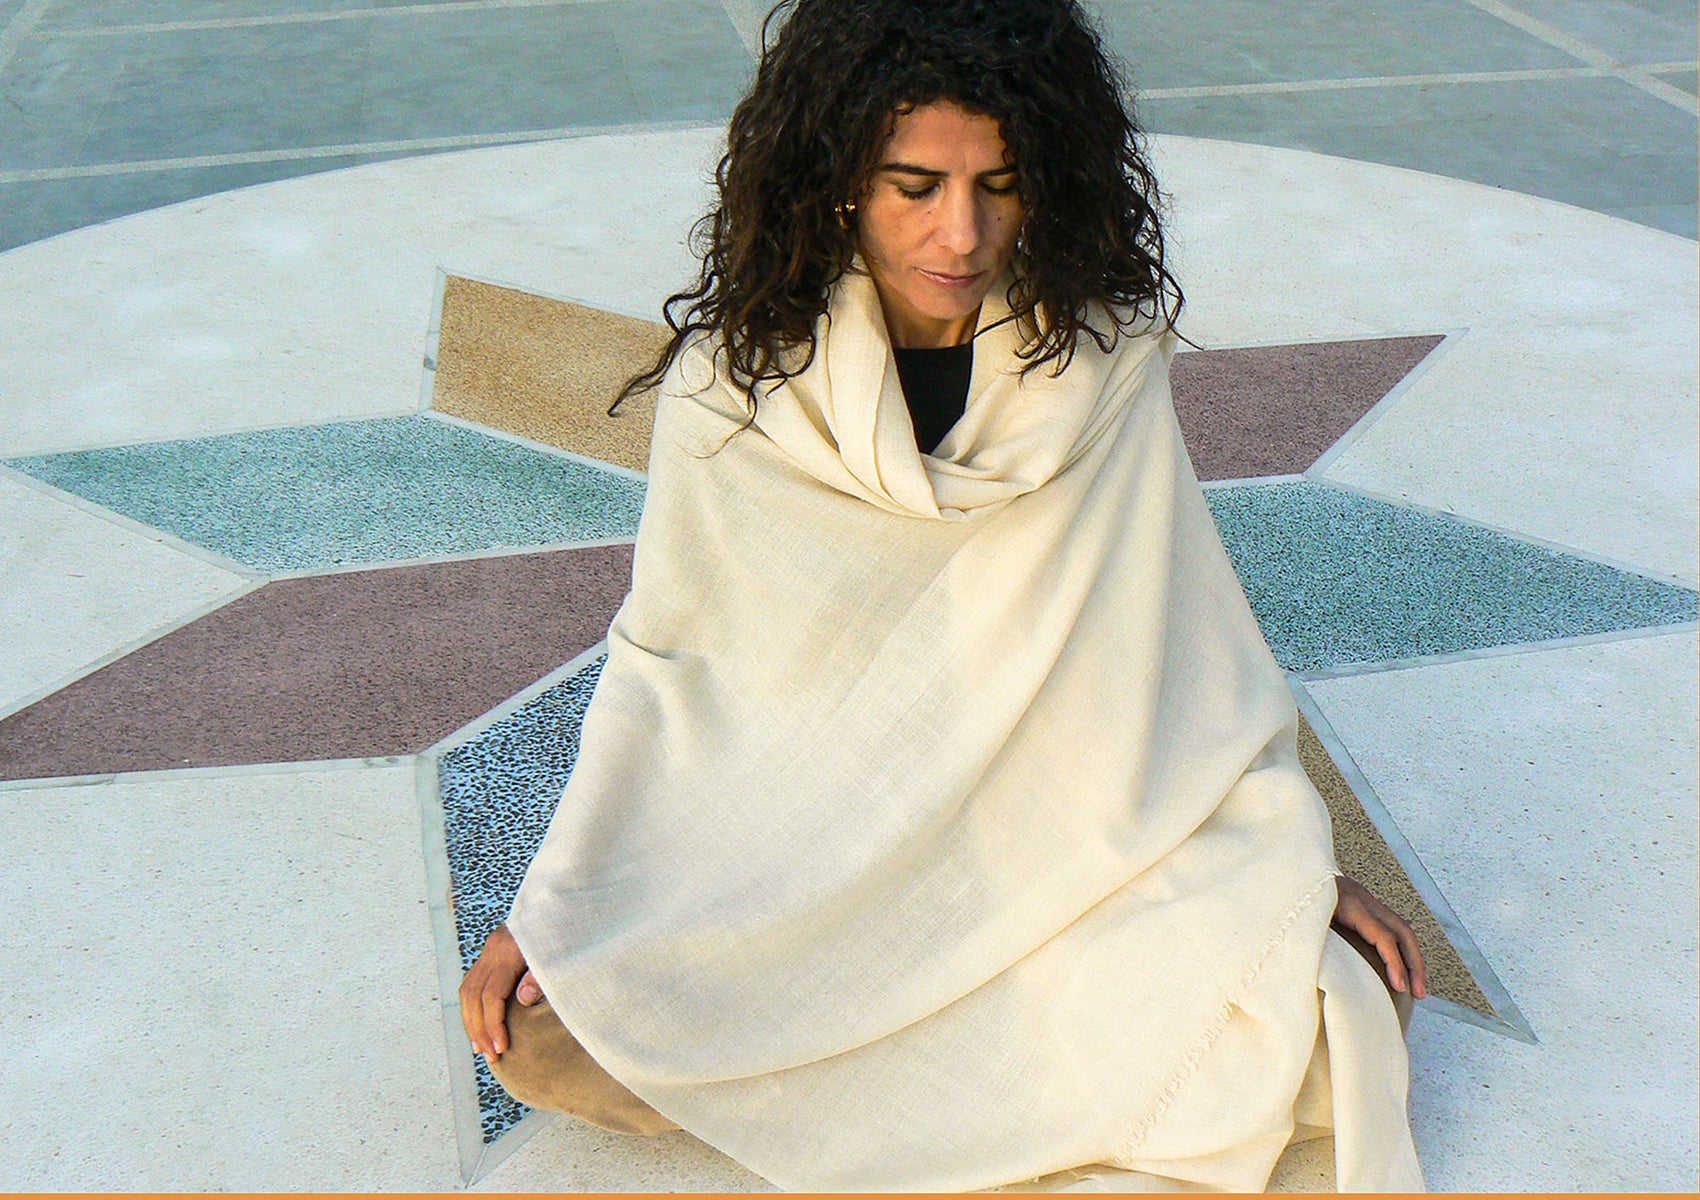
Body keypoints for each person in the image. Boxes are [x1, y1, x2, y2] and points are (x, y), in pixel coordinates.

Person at [460, 0, 1429, 1190]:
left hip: (1062, 840)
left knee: (1341, 1009)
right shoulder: (736, 384)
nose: (958, 233)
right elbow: (677, 665)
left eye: (1000, 185)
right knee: (554, 1045)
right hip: (820, 854)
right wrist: (560, 908)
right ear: (835, 182)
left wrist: (1292, 871)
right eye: (912, 185)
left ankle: (885, 1073)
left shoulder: (1099, 358)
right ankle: (954, 1065)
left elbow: (1170, 652)